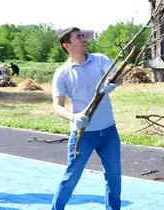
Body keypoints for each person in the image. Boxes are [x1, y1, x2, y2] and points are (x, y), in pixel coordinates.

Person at [49, 27, 122, 210]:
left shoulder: (100, 60)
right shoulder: (63, 73)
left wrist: (112, 82)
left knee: (114, 176)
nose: (84, 39)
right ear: (66, 45)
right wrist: (74, 118)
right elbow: (57, 106)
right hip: (83, 134)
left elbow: (116, 76)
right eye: (78, 37)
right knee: (71, 177)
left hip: (108, 131)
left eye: (83, 36)